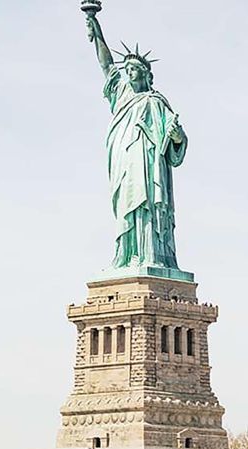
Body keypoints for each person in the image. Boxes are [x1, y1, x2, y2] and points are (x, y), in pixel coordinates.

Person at [85, 11, 187, 271]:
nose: (129, 74)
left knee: (149, 204)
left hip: (151, 163)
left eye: (134, 70)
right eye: (127, 70)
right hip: (124, 159)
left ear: (145, 74)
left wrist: (176, 136)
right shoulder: (120, 93)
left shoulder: (156, 102)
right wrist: (95, 27)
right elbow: (106, 65)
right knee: (127, 205)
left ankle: (153, 254)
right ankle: (126, 254)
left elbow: (177, 142)